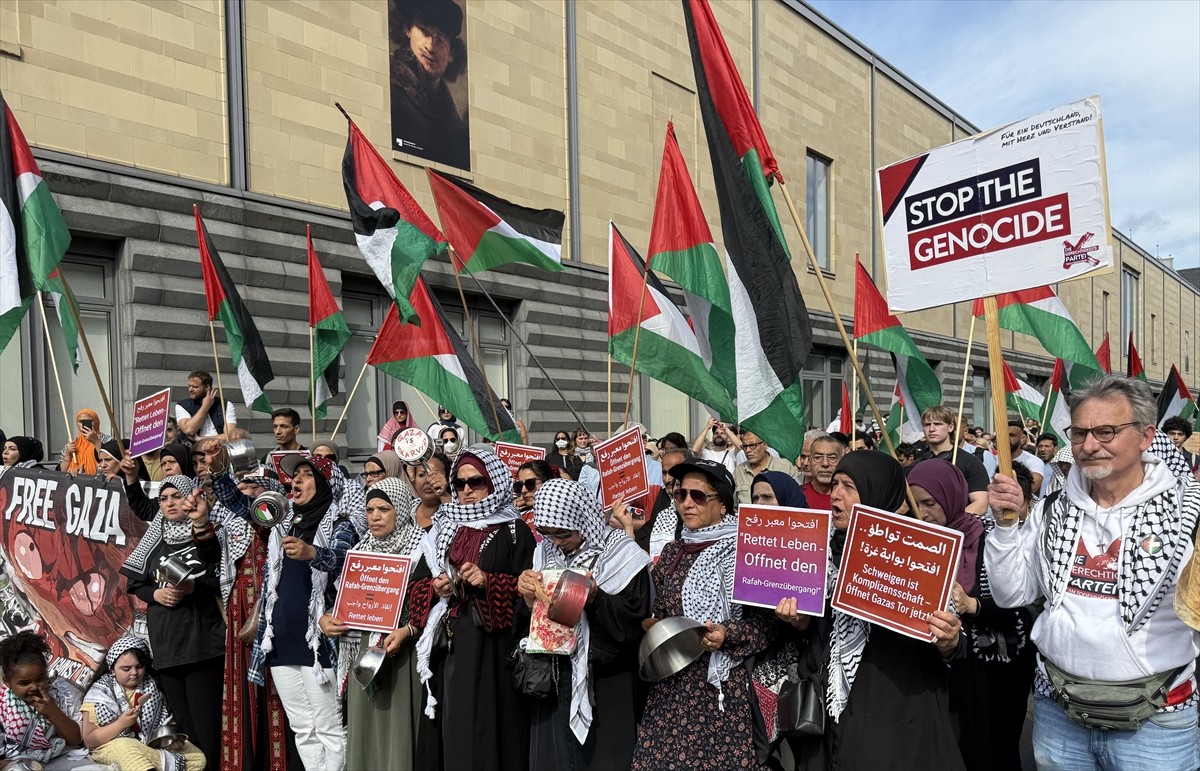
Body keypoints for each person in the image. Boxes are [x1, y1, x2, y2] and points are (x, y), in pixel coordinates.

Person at [986, 374, 1200, 770]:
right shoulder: (1053, 509)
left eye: (1106, 431)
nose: (1089, 446)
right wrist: (1004, 526)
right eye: (1080, 432)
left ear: (1146, 436)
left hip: (1156, 723)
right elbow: (1010, 594)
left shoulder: (1188, 514)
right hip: (1059, 715)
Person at [788, 451, 965, 770]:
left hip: (896, 722)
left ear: (877, 491)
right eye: (835, 484)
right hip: (830, 721)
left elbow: (948, 646)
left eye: (849, 486)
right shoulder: (821, 549)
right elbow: (818, 635)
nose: (836, 494)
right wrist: (800, 623)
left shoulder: (918, 554)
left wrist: (949, 641)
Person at [632, 458, 776, 770]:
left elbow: (767, 625)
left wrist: (727, 634)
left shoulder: (747, 550)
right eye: (680, 495)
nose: (686, 503)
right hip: (672, 686)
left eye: (698, 496)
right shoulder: (673, 550)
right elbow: (660, 608)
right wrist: (657, 624)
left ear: (723, 504)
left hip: (720, 690)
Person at [516, 479, 652, 771]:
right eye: (547, 533)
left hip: (605, 683)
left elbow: (635, 620)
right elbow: (530, 620)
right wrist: (528, 597)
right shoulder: (544, 554)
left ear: (583, 519)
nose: (556, 541)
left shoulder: (620, 554)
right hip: (554, 679)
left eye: (563, 533)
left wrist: (595, 599)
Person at [414, 448, 535, 771]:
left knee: (491, 728)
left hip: (496, 645)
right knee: (456, 726)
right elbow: (417, 585)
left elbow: (529, 590)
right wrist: (435, 588)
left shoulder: (514, 530)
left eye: (476, 482)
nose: (467, 490)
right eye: (460, 483)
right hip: (452, 645)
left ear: (493, 483)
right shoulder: (445, 527)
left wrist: (488, 581)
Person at [909, 460, 1032, 771]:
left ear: (952, 497)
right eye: (914, 503)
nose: (922, 513)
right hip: (940, 675)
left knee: (990, 752)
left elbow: (1027, 608)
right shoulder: (914, 542)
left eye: (930, 503)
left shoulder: (991, 537)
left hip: (994, 675)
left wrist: (972, 606)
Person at [246, 455, 360, 771]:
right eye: (294, 476)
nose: (296, 481)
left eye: (306, 475)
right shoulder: (283, 520)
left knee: (330, 728)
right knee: (303, 729)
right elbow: (241, 505)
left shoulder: (342, 522)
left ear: (325, 484)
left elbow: (342, 559)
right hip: (280, 637)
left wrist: (313, 553)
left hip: (318, 641)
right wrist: (218, 472)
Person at [321, 477, 434, 771]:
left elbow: (431, 608)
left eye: (383, 509)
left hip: (401, 653)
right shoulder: (360, 550)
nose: (375, 516)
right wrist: (327, 618)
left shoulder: (421, 548)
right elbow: (349, 601)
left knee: (397, 729)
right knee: (364, 729)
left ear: (399, 508)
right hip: (363, 649)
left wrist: (407, 630)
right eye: (370, 509)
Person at [119, 475, 225, 770]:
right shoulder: (154, 539)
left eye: (177, 496)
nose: (169, 503)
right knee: (187, 732)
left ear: (191, 498)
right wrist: (155, 593)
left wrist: (194, 588)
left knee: (208, 731)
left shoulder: (207, 533)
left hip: (202, 647)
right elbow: (136, 585)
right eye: (164, 499)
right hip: (166, 650)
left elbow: (222, 574)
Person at [81, 634, 207, 770]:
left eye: (139, 666)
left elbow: (165, 726)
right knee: (127, 748)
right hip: (112, 746)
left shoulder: (154, 687)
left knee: (198, 758)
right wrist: (121, 724)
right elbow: (90, 740)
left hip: (149, 746)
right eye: (126, 669)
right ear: (112, 670)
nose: (134, 673)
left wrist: (172, 741)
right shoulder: (99, 694)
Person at [390, 0, 469, 169]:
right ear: (407, 29)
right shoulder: (392, 87)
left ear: (451, 54)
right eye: (424, 31)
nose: (430, 47)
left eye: (440, 40)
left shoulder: (454, 122)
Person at [0, 631, 88, 768]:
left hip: (61, 756)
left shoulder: (62, 693)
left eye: (40, 679)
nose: (34, 687)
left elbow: (75, 739)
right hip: (17, 760)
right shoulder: (3, 703)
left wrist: (53, 712)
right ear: (7, 682)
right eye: (24, 683)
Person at [916, 406, 989, 515]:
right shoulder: (916, 466)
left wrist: (954, 522)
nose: (931, 429)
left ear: (950, 427)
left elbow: (981, 503)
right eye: (927, 424)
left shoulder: (970, 462)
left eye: (938, 424)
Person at [731, 429, 803, 504]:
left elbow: (798, 499)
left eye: (752, 445)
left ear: (765, 445)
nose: (747, 450)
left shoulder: (785, 467)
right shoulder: (739, 471)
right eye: (744, 446)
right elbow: (733, 505)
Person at [175, 370, 236, 441]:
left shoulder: (225, 405)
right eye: (189, 386)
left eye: (195, 387)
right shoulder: (182, 405)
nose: (190, 389)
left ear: (207, 387)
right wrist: (205, 407)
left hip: (220, 445)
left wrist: (200, 439)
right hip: (194, 447)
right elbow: (189, 430)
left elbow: (230, 436)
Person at [801, 434, 844, 511]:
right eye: (818, 457)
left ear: (841, 461)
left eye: (832, 458)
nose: (825, 463)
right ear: (810, 461)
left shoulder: (850, 496)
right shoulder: (798, 494)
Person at [59, 408, 105, 475]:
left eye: (89, 421)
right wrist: (68, 455)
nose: (84, 425)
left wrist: (96, 441)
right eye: (80, 421)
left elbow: (111, 464)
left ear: (96, 421)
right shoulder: (72, 443)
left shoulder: (107, 440)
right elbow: (60, 472)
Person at [1006, 419, 1044, 492]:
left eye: (1012, 435)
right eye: (1004, 435)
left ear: (1022, 438)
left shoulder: (1034, 461)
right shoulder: (992, 459)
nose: (1007, 438)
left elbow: (1030, 489)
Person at [514, 459, 555, 527]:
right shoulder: (516, 512)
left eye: (530, 484)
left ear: (546, 482)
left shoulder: (558, 512)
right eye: (520, 485)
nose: (523, 490)